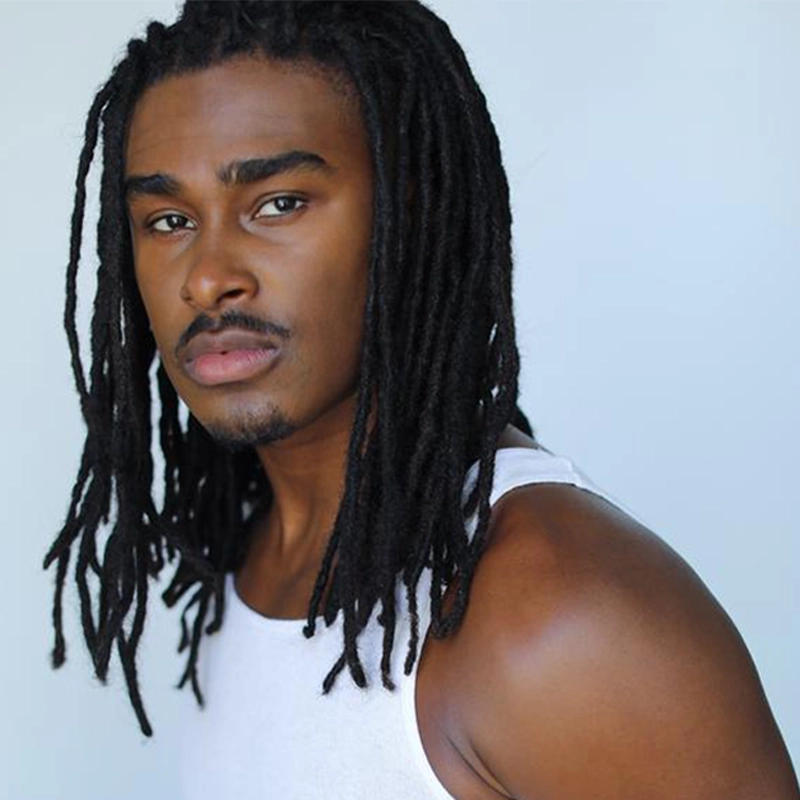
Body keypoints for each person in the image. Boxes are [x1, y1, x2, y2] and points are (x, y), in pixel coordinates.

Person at [44, 2, 798, 798]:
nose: (205, 276)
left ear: (416, 212)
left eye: (279, 203)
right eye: (166, 220)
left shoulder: (559, 609)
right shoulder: (250, 556)